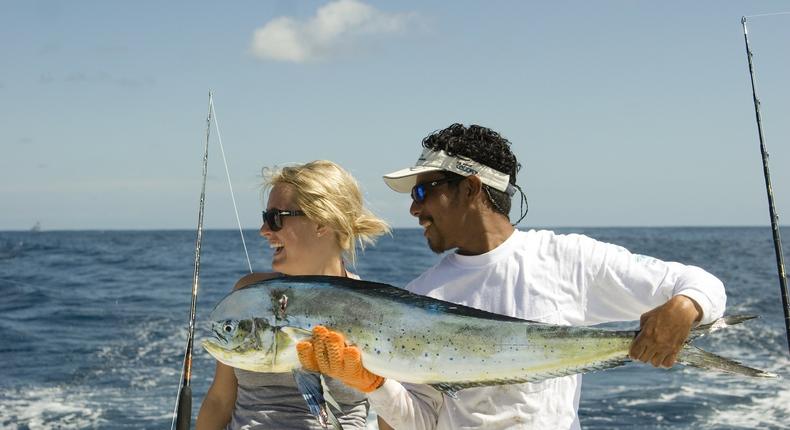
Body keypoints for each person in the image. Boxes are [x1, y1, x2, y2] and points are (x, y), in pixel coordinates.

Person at [296, 124, 727, 429]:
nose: (414, 209)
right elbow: (423, 422)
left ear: (471, 188)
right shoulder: (417, 297)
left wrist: (685, 307)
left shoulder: (567, 259)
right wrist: (370, 382)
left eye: (424, 191)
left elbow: (703, 286)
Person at [196, 160, 391, 430]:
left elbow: (391, 415)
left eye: (275, 218)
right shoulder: (248, 294)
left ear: (321, 223)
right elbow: (219, 400)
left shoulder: (376, 309)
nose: (264, 230)